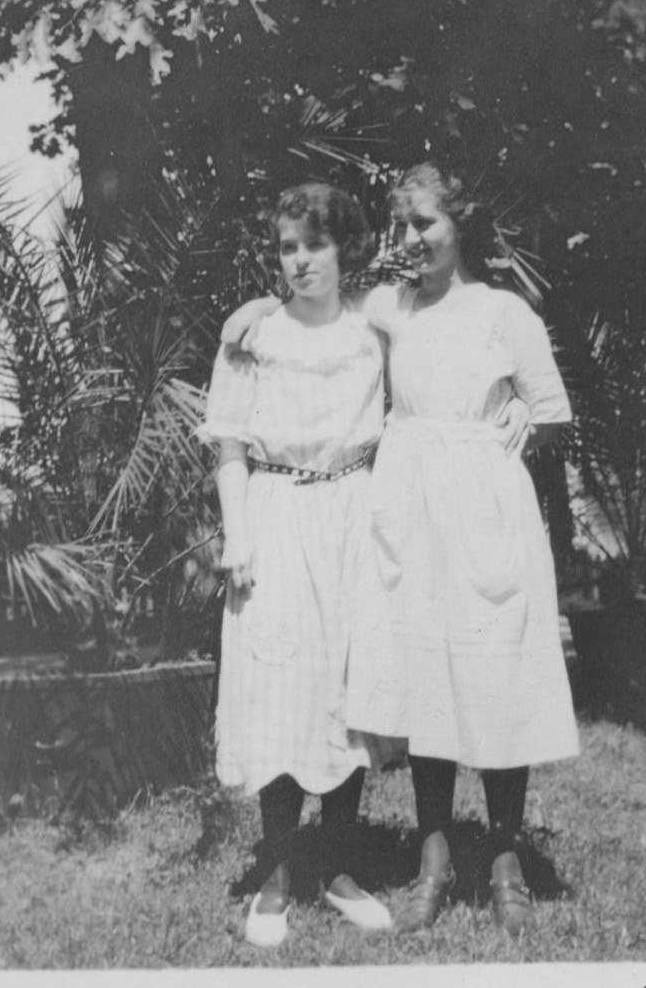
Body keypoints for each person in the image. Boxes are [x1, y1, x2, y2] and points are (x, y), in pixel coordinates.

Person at [223, 162, 578, 937]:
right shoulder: (389, 306)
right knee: (426, 683)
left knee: (492, 674)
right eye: (403, 226)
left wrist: (519, 410)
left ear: (460, 224)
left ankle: (507, 857)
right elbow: (312, 307)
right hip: (407, 511)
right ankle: (433, 858)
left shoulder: (504, 310)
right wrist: (253, 305)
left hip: (485, 508)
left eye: (426, 223)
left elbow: (552, 411)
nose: (413, 240)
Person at [198, 182, 394, 948]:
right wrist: (238, 536)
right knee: (277, 687)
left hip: (354, 514)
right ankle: (278, 874)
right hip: (276, 517)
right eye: (287, 247)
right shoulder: (253, 337)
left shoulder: (375, 333)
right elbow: (230, 450)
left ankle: (340, 869)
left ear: (345, 249)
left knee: (348, 685)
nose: (301, 261)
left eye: (315, 245)